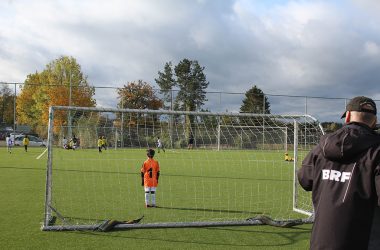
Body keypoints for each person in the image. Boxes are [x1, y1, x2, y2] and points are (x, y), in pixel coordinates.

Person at [297, 96, 380, 250]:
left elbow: (304, 180)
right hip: (362, 241)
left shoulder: (321, 147)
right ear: (374, 121)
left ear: (347, 116)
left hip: (321, 241)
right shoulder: (377, 150)